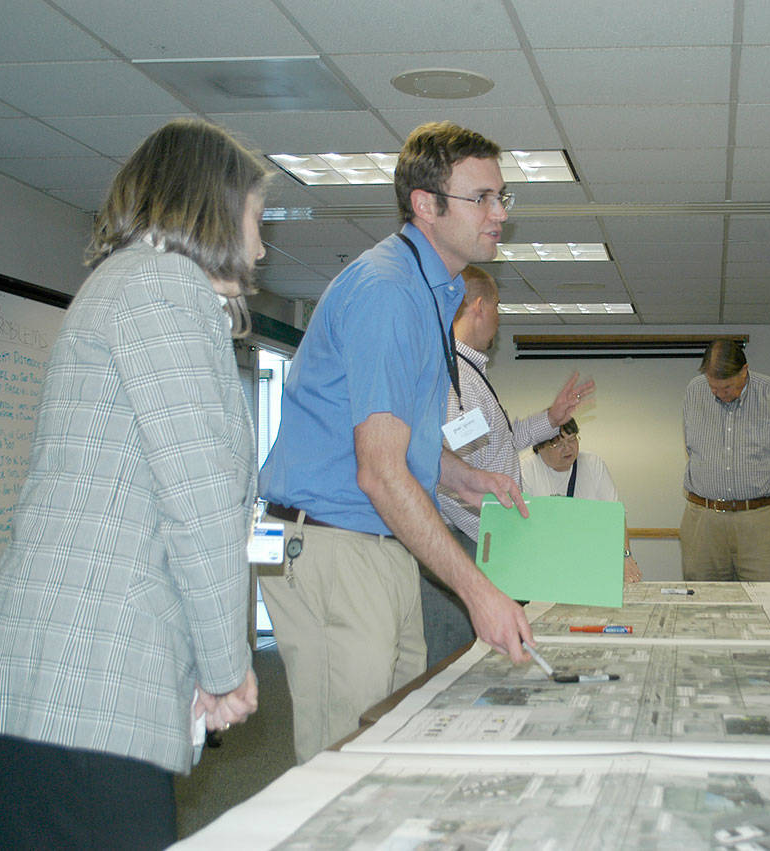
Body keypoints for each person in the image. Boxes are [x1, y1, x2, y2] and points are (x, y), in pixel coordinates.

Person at [0, 119, 268, 849]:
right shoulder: (162, 289)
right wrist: (225, 667)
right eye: (254, 219)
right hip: (82, 676)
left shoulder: (128, 286)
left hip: (62, 674)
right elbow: (198, 500)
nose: (258, 246)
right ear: (209, 207)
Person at [257, 121, 535, 764]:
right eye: (482, 198)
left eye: (502, 198)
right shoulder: (388, 292)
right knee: (344, 754)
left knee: (393, 737)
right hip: (334, 545)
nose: (499, 214)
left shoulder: (431, 291)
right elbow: (380, 473)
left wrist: (465, 477)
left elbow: (395, 443)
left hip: (377, 545)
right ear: (425, 206)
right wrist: (479, 591)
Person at [425, 263, 594, 665]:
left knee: (481, 656)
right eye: (498, 306)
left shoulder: (468, 372)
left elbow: (490, 445)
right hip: (470, 545)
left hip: (484, 541)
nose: (500, 319)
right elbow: (440, 473)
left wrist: (551, 420)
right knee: (458, 661)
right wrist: (491, 531)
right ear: (479, 306)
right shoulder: (455, 379)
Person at [680, 339, 770, 582]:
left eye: (727, 388)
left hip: (761, 520)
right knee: (703, 604)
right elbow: (692, 448)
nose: (721, 395)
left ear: (744, 371)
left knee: (766, 603)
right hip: (704, 520)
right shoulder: (694, 391)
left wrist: (758, 491)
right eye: (714, 389)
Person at [521, 418, 641, 582]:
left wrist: (625, 557)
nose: (568, 448)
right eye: (559, 444)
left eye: (572, 440)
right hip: (543, 567)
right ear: (539, 447)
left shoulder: (593, 464)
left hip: (589, 564)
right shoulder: (525, 471)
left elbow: (615, 517)